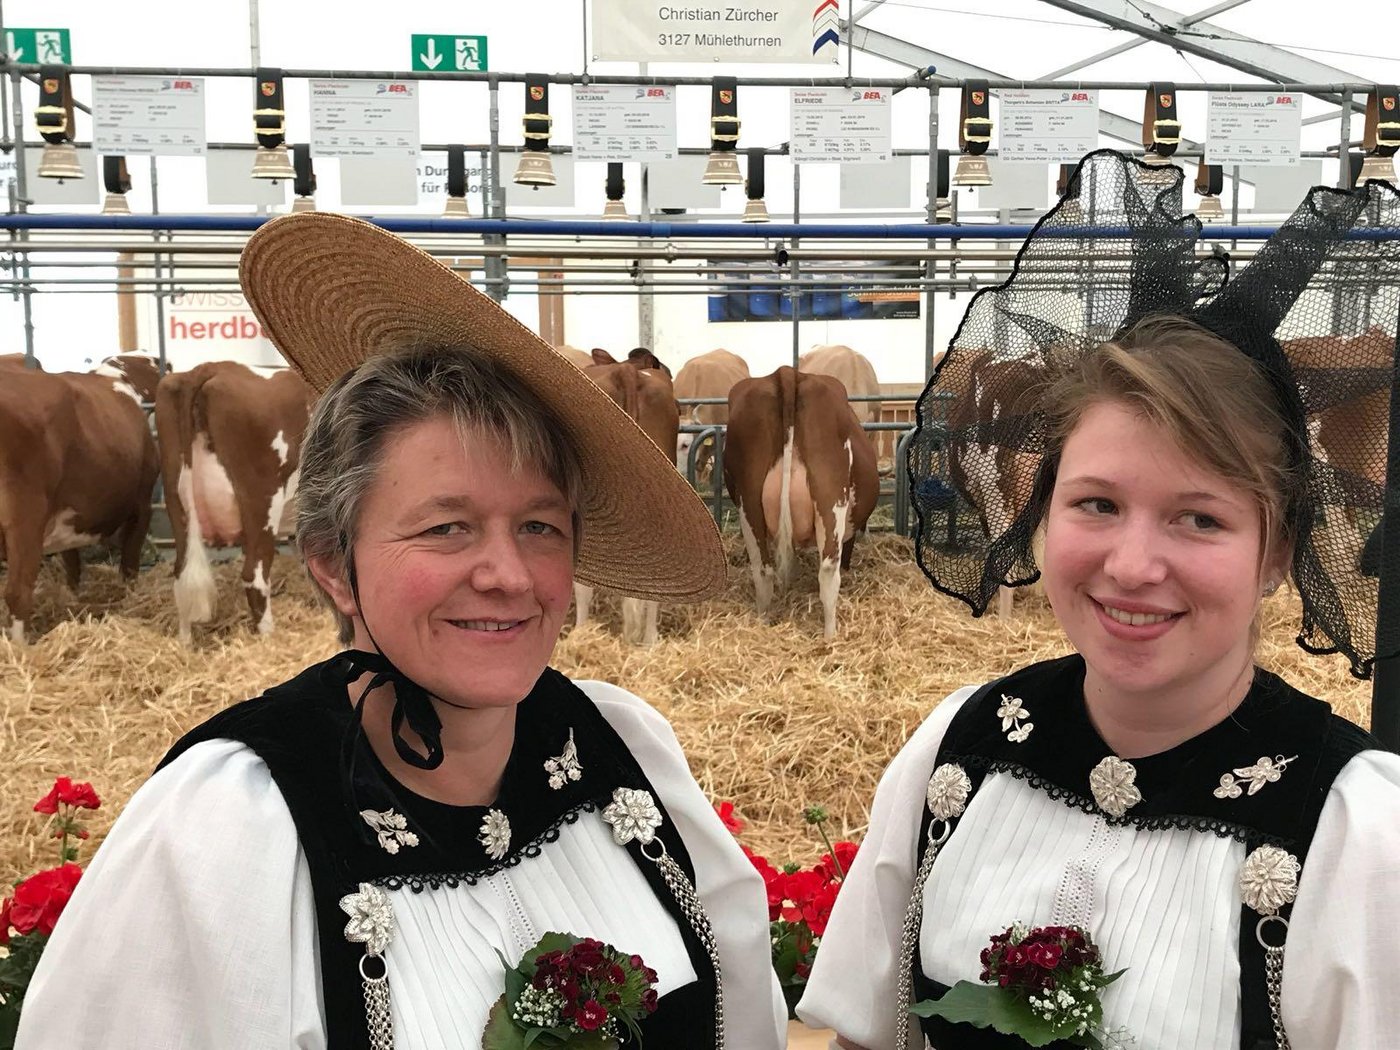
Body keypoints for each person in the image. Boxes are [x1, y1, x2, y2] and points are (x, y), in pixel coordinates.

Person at [17, 213, 786, 1050]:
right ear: (332, 564)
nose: (509, 575)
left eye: (540, 527)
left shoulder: (627, 751)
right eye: (446, 528)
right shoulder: (230, 832)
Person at [797, 151, 1400, 1049]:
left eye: (1199, 518)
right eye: (1097, 504)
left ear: (1277, 552)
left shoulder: (1355, 835)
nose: (1132, 563)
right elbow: (864, 1035)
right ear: (1042, 508)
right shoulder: (956, 751)